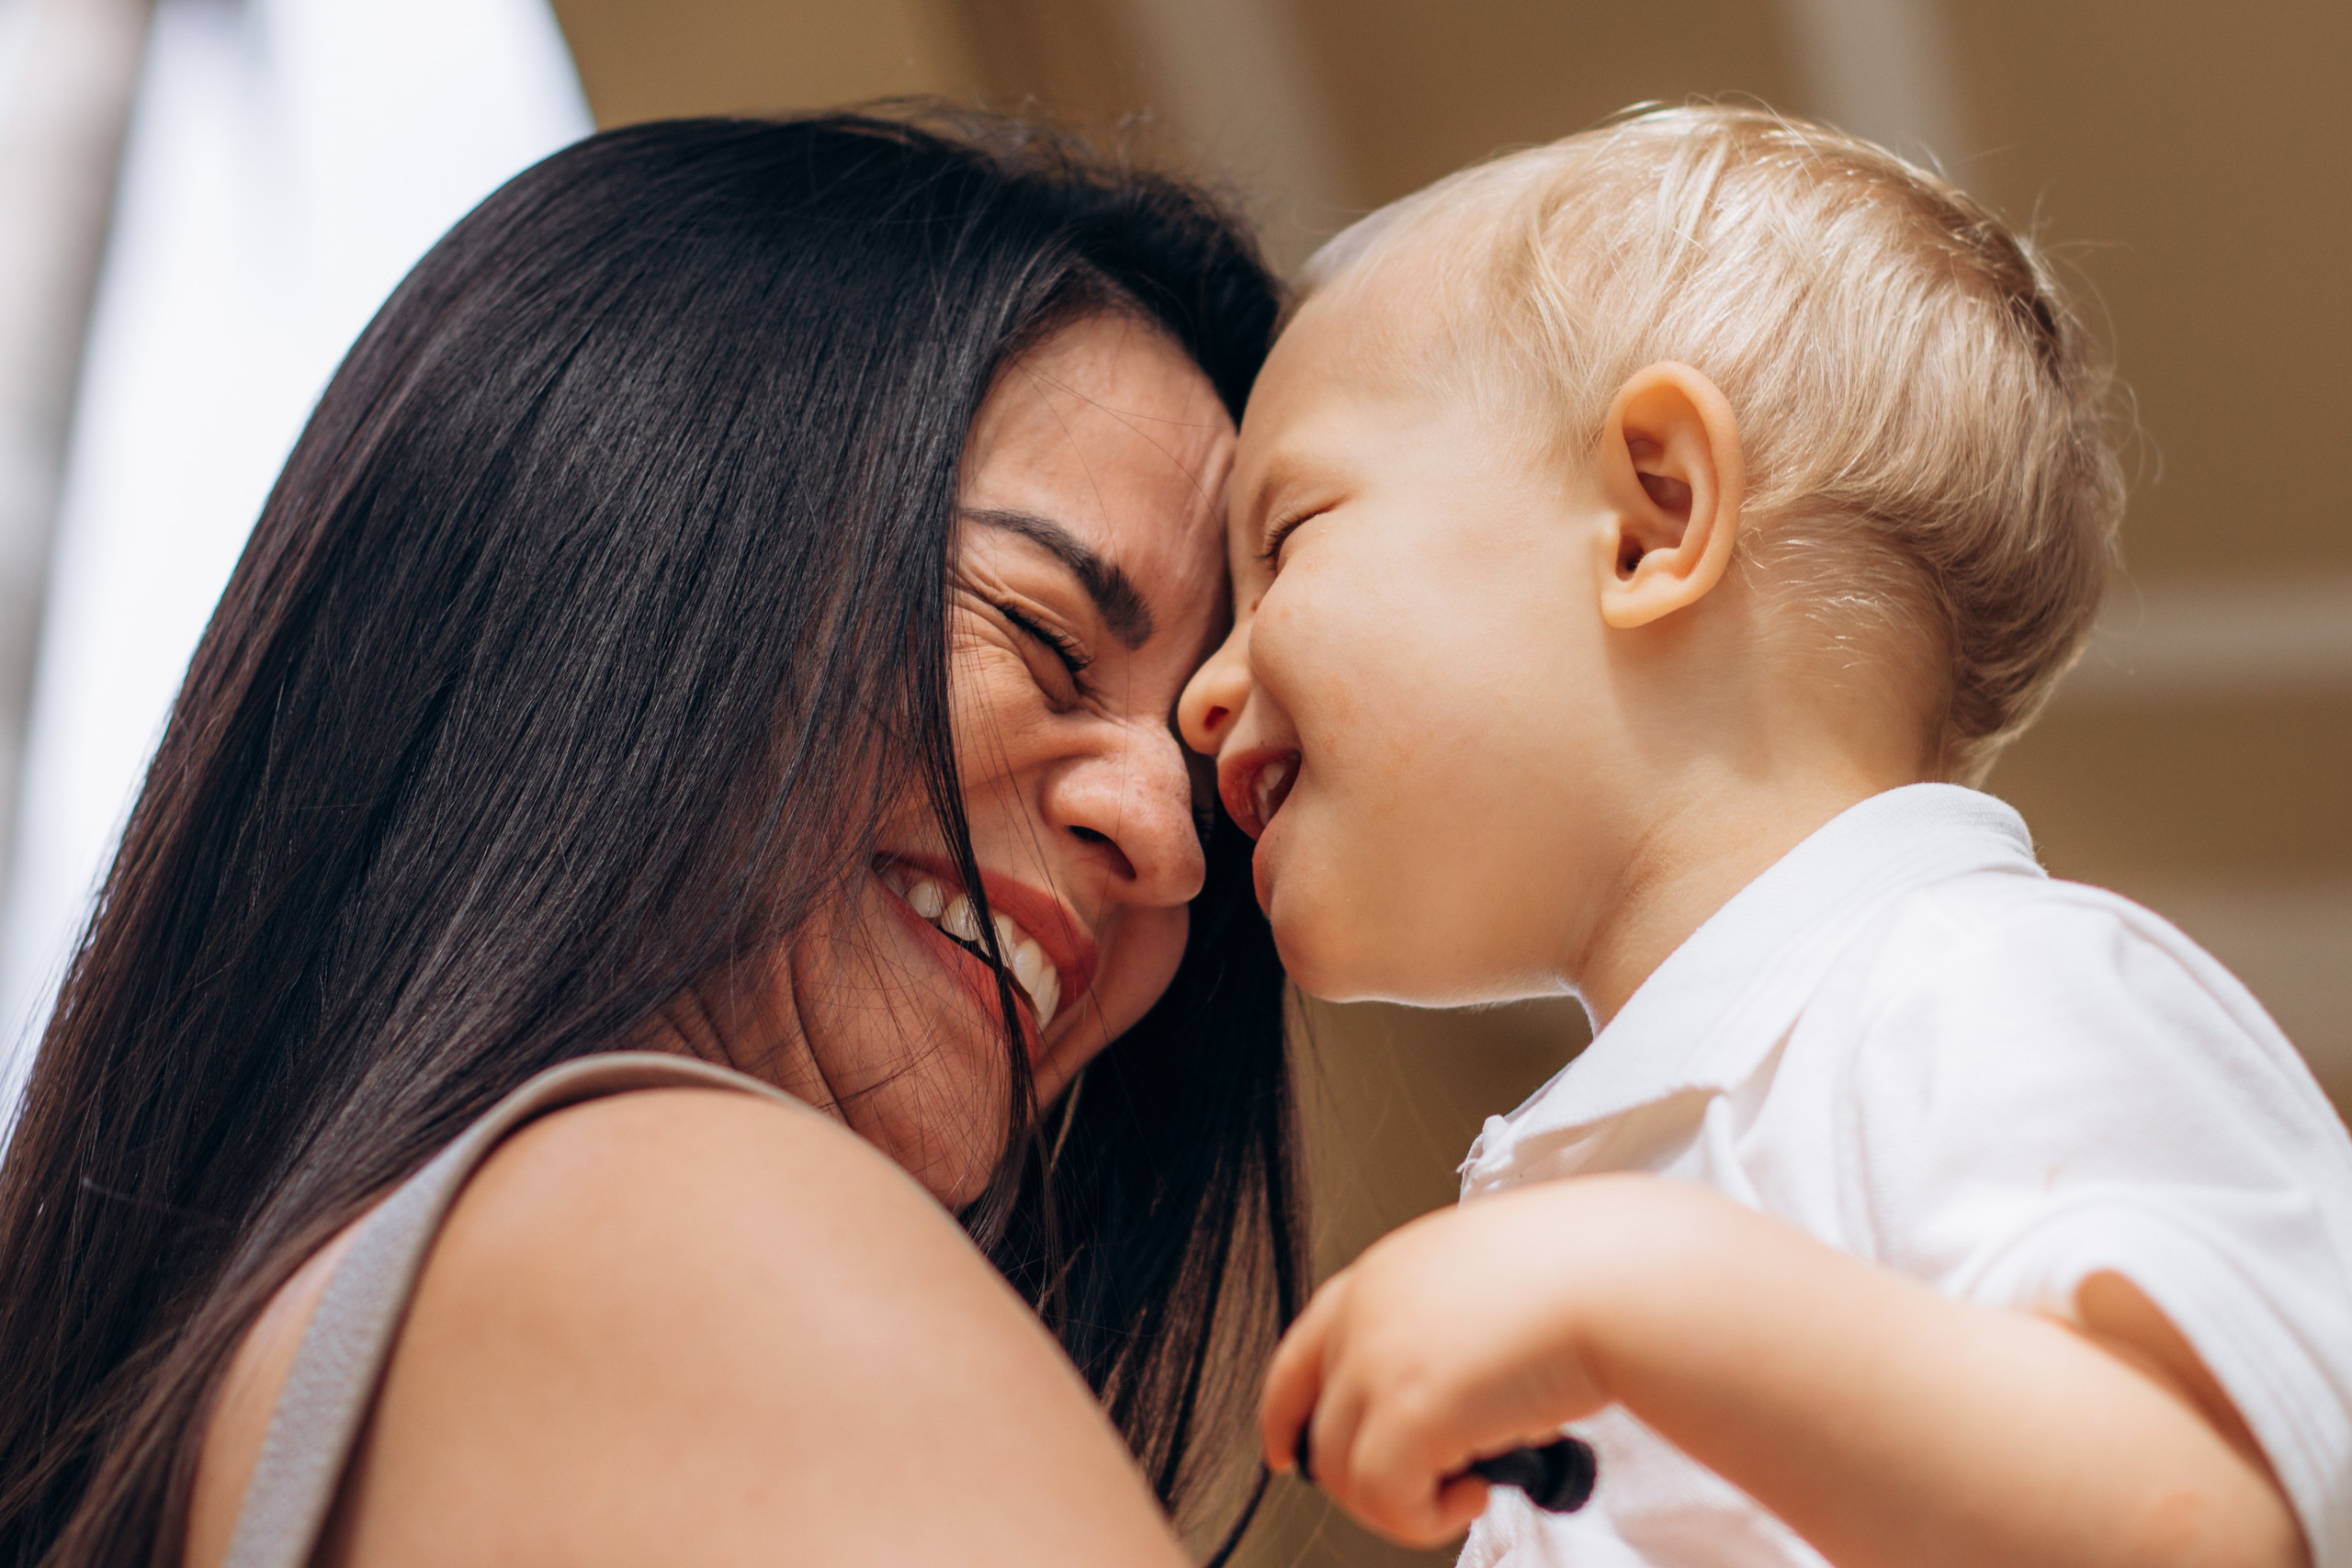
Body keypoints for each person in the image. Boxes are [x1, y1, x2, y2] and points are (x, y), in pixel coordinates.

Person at [0, 113, 1306, 1568]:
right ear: (642, 560)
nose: (1171, 844)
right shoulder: (675, 1219)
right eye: (1048, 639)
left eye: (1210, 779)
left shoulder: (253, 1386)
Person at [1178, 105, 2352, 1567]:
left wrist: (1638, 1289)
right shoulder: (1626, 1168)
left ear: (1652, 518)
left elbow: (2208, 1534)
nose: (1203, 692)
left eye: (1285, 539)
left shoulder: (1986, 984)